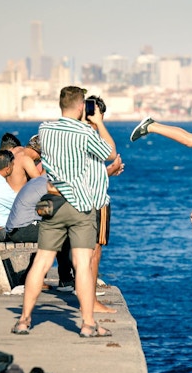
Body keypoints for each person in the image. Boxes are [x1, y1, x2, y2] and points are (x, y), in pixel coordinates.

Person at [11, 86, 116, 338]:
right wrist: (98, 122)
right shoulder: (84, 132)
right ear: (82, 107)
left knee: (42, 262)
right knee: (81, 265)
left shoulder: (44, 129)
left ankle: (24, 320)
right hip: (80, 205)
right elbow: (110, 153)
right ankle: (88, 324)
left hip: (53, 202)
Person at [85, 95, 125, 313]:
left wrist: (108, 172)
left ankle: (87, 298)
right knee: (94, 252)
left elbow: (88, 170)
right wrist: (99, 123)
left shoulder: (75, 134)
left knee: (86, 251)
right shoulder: (90, 133)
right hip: (95, 201)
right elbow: (110, 152)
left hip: (81, 199)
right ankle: (90, 302)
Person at [6, 173, 74, 287]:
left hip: (17, 227)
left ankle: (33, 277)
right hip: (21, 229)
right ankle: (65, 279)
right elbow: (49, 211)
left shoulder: (39, 181)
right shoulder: (48, 186)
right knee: (61, 234)